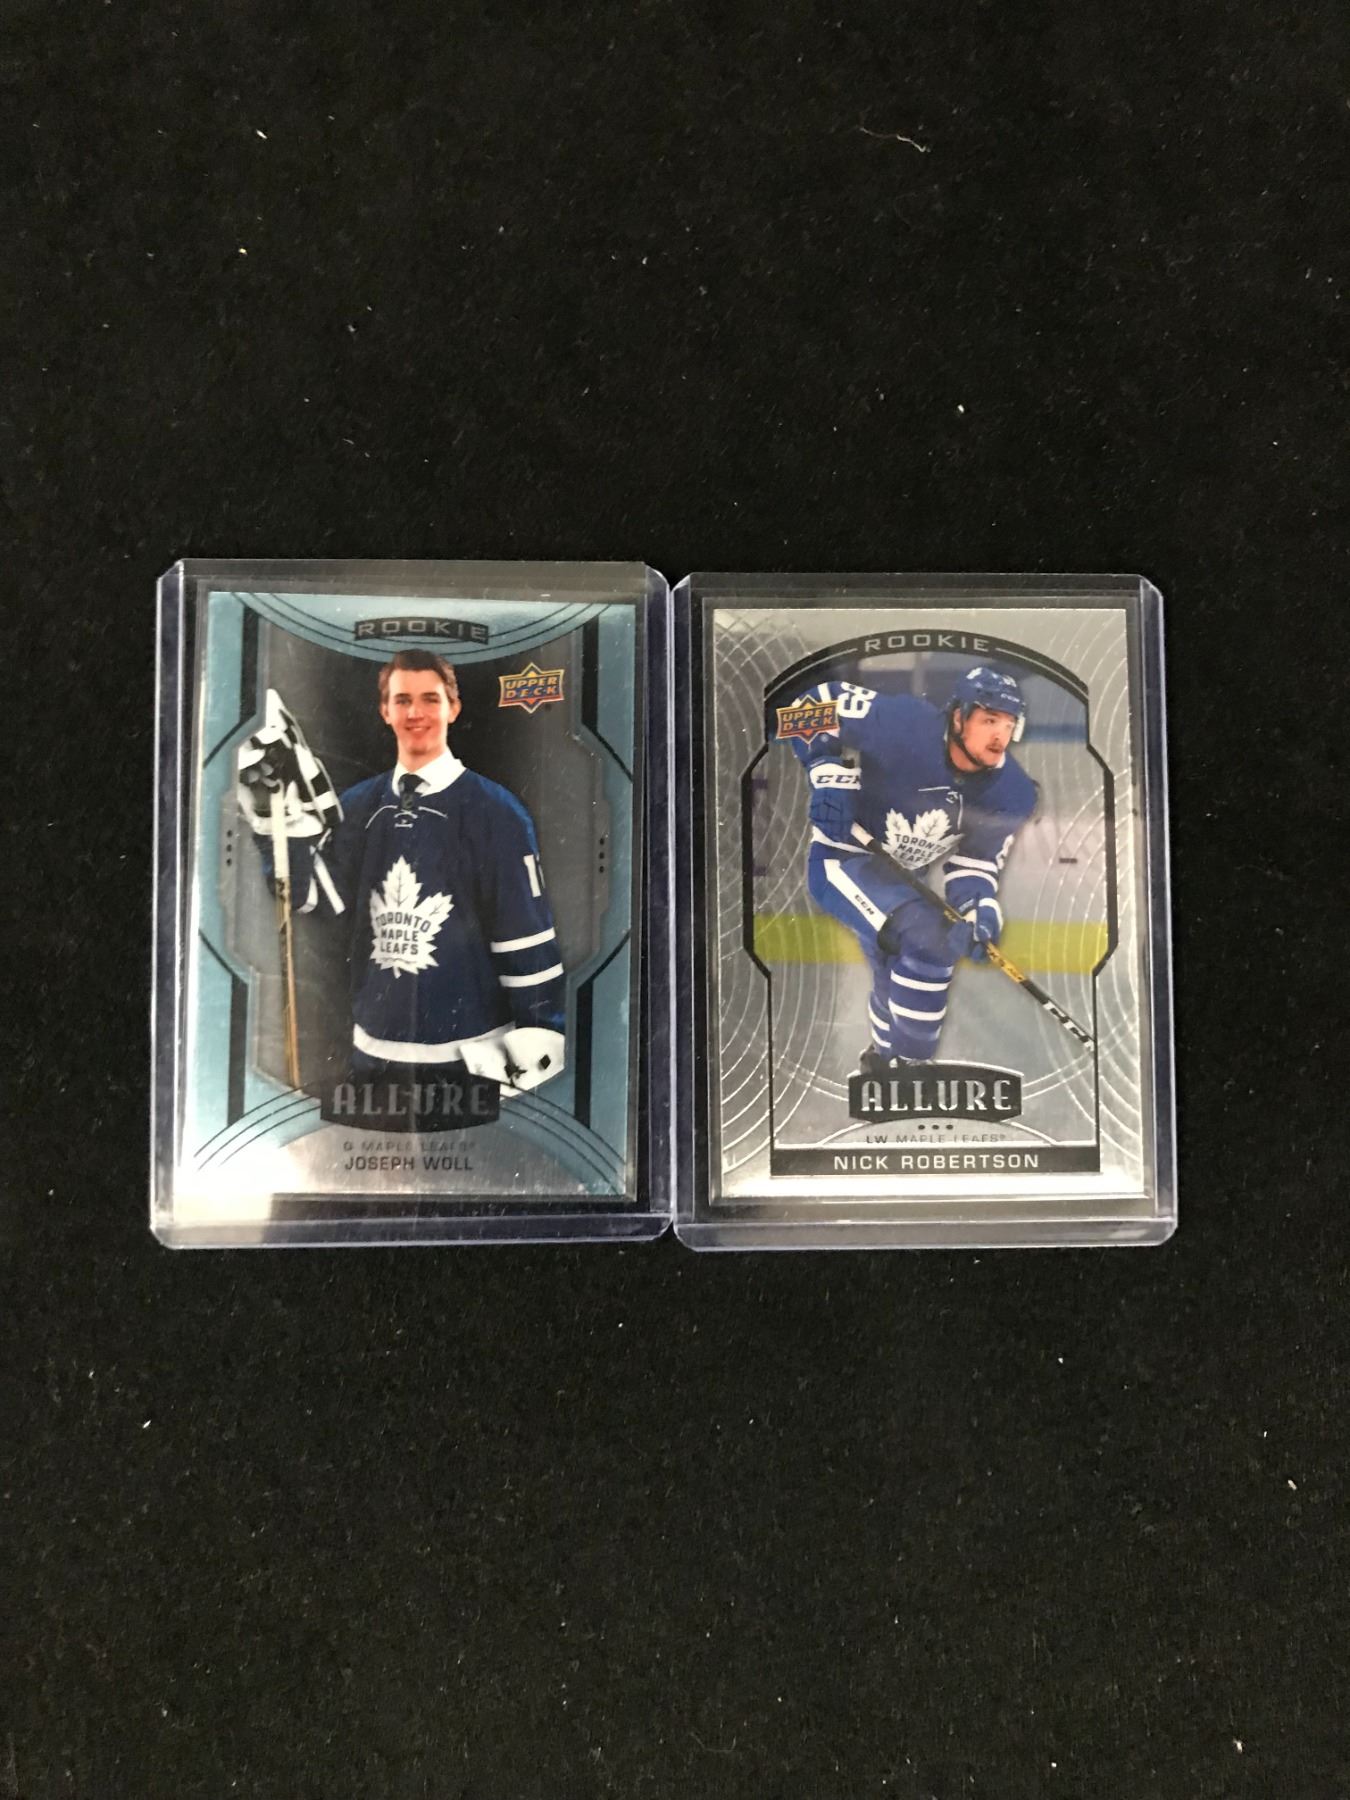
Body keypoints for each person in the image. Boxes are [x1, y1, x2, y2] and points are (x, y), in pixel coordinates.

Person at [238, 650, 565, 1094]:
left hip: (471, 1061)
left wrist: (539, 1038)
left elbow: (526, 944)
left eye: (430, 699)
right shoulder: (357, 807)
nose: (416, 713)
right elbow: (312, 898)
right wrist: (276, 821)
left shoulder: (498, 812)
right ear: (385, 711)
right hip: (374, 1055)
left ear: (453, 707)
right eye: (403, 700)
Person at [786, 665, 1037, 1072]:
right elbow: (807, 708)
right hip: (844, 859)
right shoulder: (902, 723)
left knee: (895, 969)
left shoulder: (1013, 793)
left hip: (903, 881)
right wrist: (825, 772)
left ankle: (883, 1061)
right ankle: (910, 1069)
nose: (1000, 735)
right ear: (959, 716)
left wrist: (977, 910)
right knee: (929, 941)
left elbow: (974, 863)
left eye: (1009, 724)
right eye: (989, 720)